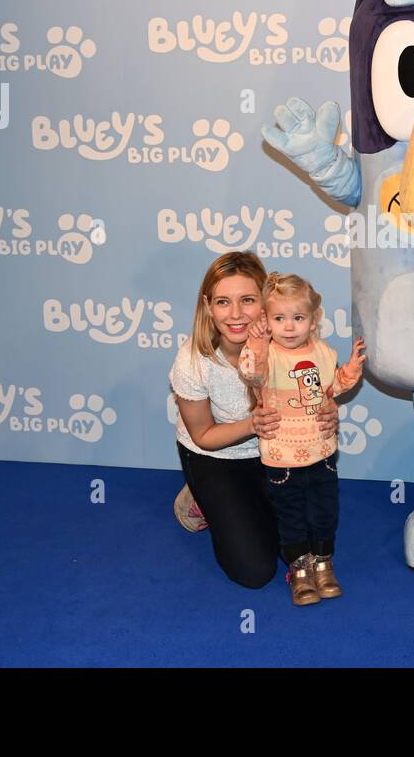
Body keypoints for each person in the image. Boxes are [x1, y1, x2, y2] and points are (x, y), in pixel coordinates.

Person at [168, 252, 340, 589]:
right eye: (222, 302)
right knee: (255, 571)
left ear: (265, 302)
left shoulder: (293, 343)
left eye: (247, 300)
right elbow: (202, 435)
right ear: (207, 305)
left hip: (276, 454)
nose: (235, 314)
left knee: (300, 536)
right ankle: (199, 496)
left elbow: (315, 394)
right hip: (213, 456)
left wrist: (327, 412)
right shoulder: (192, 362)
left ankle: (244, 503)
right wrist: (252, 425)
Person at [237, 272, 365, 605]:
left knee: (325, 512)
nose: (289, 327)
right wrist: (255, 341)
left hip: (321, 452)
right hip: (282, 458)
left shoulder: (322, 351)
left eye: (298, 317)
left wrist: (350, 369)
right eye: (279, 318)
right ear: (267, 320)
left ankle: (324, 563)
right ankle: (300, 571)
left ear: (313, 318)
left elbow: (331, 388)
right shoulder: (267, 354)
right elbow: (250, 372)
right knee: (291, 516)